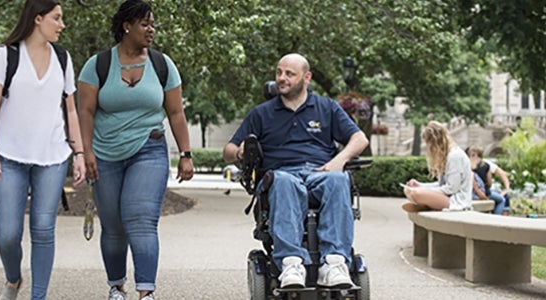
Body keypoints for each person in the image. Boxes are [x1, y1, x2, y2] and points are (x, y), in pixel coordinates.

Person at [77, 1, 194, 299]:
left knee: (141, 219)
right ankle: (117, 287)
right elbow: (85, 112)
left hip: (149, 148)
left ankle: (146, 292)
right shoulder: (98, 65)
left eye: (153, 24)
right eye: (145, 23)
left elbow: (176, 113)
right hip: (105, 153)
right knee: (114, 227)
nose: (151, 29)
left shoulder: (162, 64)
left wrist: (185, 154)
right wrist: (86, 152)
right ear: (126, 26)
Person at [223, 53, 369, 289]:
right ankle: (291, 263)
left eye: (289, 74)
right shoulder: (262, 113)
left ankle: (333, 263)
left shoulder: (326, 108)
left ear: (307, 77)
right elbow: (228, 150)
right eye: (279, 73)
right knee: (283, 181)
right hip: (280, 173)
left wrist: (339, 160)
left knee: (338, 179)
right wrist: (239, 153)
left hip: (320, 171)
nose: (282, 78)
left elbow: (359, 139)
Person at [0, 1, 86, 299]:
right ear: (38, 19)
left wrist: (78, 153)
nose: (62, 25)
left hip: (52, 157)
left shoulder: (63, 58)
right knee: (8, 235)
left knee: (43, 230)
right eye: (57, 18)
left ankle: (38, 297)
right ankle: (13, 279)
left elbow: (71, 111)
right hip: (8, 155)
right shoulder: (5, 55)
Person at [401, 121, 472, 212]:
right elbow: (441, 184)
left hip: (457, 200)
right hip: (447, 196)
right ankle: (428, 204)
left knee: (416, 193)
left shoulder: (454, 156)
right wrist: (420, 185)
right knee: (408, 190)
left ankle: (427, 204)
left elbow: (452, 188)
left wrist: (423, 190)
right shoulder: (446, 155)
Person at [466, 146, 510, 215]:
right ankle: (495, 220)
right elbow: (489, 183)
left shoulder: (466, 165)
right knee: (502, 200)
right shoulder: (486, 165)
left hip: (468, 193)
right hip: (483, 193)